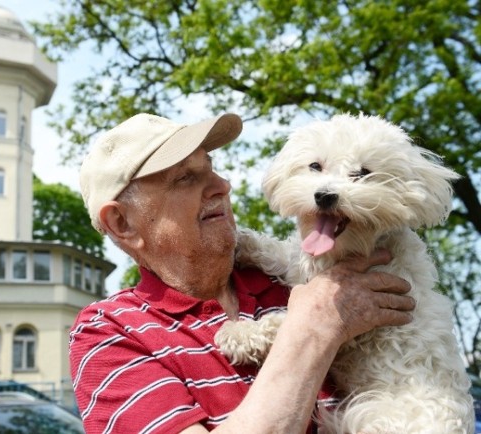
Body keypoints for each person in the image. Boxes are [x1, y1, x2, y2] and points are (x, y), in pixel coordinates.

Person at [72, 112, 415, 434]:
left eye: (211, 168)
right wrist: (317, 324)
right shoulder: (108, 333)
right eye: (185, 178)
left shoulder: (305, 268)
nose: (223, 185)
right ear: (121, 223)